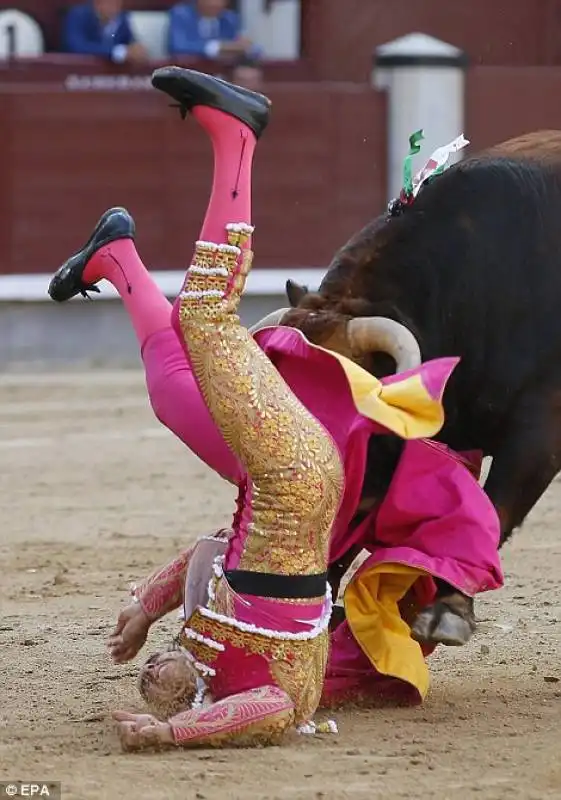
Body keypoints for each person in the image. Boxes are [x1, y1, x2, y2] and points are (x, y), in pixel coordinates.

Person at [48, 68, 503, 748]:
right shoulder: (266, 691)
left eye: (149, 669)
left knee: (187, 354)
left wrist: (147, 607)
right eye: (163, 681)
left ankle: (120, 263)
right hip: (296, 482)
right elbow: (267, 714)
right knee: (201, 328)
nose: (154, 672)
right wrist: (171, 735)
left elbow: (205, 550)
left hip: (285, 486)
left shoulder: (208, 645)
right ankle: (235, 141)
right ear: (189, 697)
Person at [168, 0, 261, 60]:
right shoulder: (181, 14)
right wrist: (219, 47)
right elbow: (177, 47)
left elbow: (254, 49)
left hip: (223, 75)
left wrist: (246, 48)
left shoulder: (230, 18)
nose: (215, 3)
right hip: (188, 72)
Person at [62, 0, 149, 64]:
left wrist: (137, 50)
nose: (115, 8)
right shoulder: (78, 15)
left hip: (113, 75)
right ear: (97, 3)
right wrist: (117, 52)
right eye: (110, 3)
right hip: (77, 72)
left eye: (118, 3)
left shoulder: (122, 18)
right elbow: (78, 47)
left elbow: (129, 42)